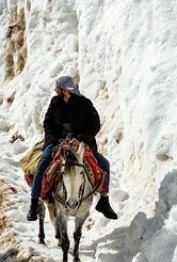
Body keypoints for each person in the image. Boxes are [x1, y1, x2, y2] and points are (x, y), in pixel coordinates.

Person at [27, 75, 118, 221]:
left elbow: (94, 125)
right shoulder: (55, 102)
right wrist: (55, 141)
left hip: (81, 143)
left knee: (104, 165)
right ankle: (34, 202)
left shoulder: (85, 104)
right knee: (42, 163)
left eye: (58, 88)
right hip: (57, 142)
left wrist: (80, 139)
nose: (56, 90)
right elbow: (48, 123)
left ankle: (104, 201)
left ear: (64, 90)